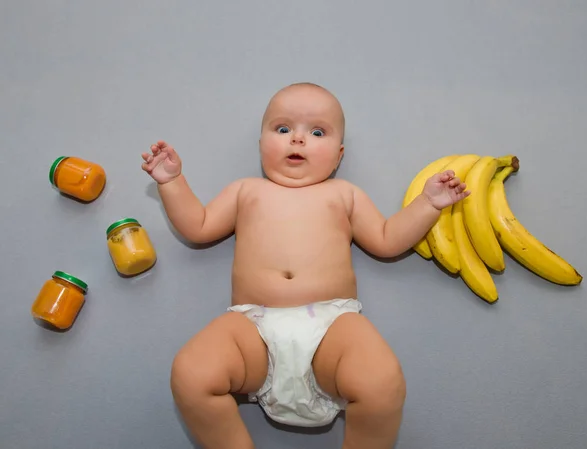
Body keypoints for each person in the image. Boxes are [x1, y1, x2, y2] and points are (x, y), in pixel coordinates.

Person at [141, 82, 469, 449]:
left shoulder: (344, 195)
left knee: (381, 381)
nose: (297, 140)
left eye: (317, 132)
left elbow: (387, 239)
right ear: (261, 142)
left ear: (339, 154)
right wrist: (172, 183)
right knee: (191, 373)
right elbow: (197, 226)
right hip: (253, 328)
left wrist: (428, 204)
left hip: (331, 327)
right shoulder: (245, 191)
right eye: (282, 129)